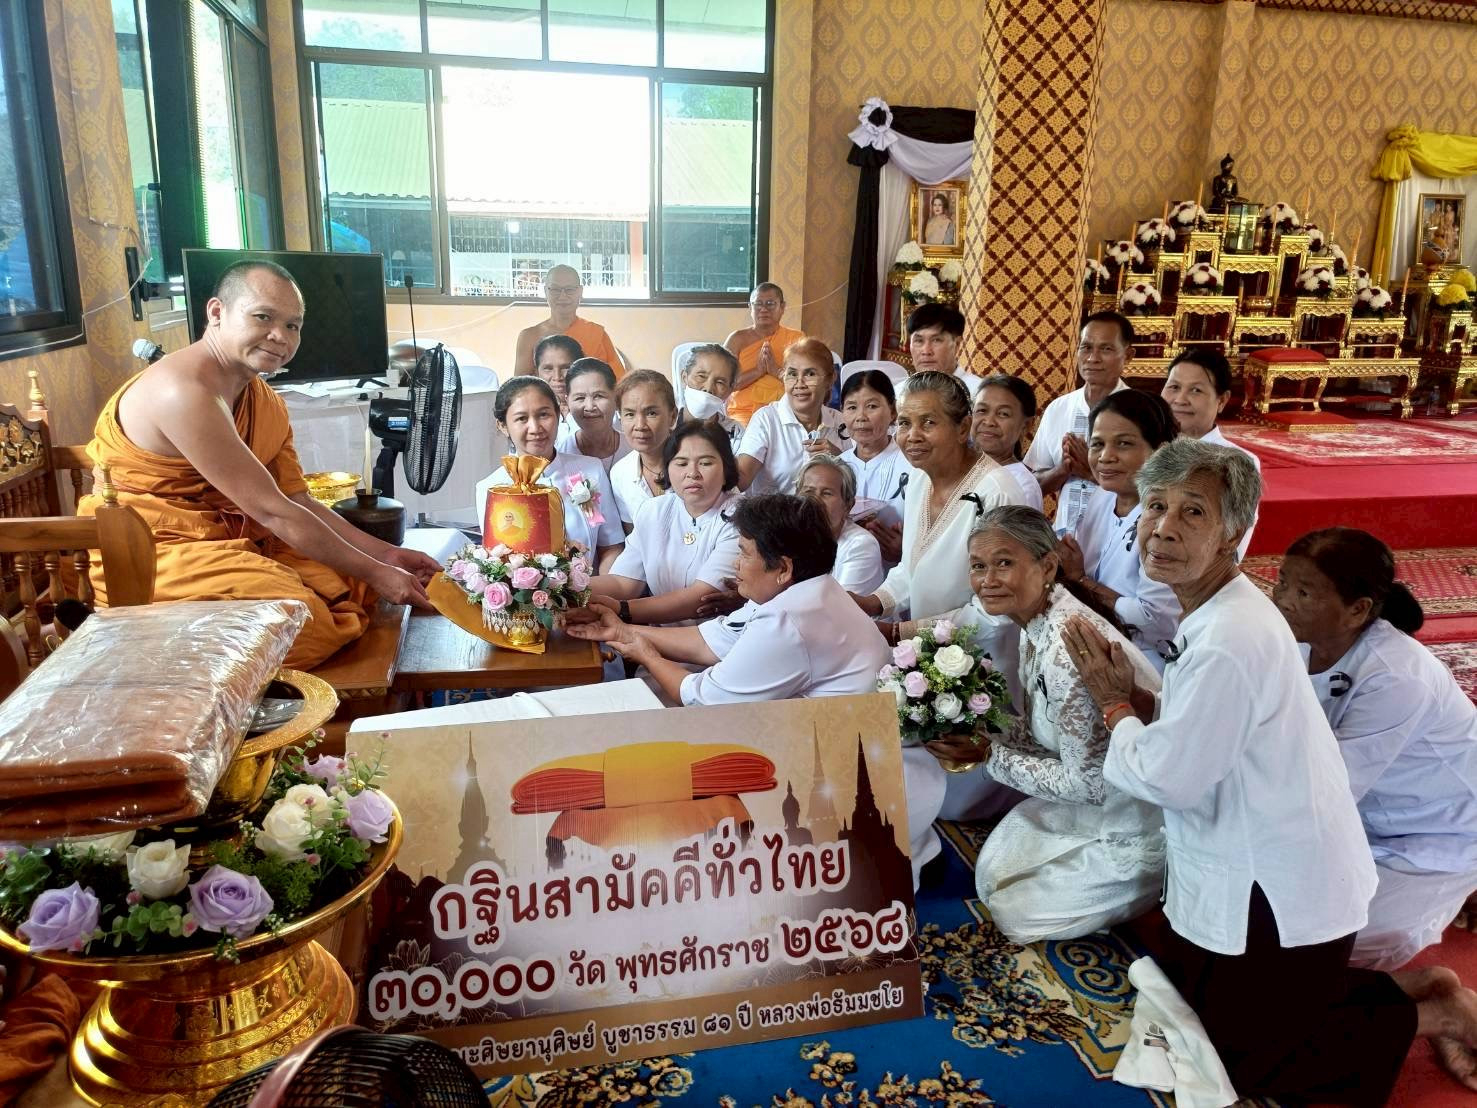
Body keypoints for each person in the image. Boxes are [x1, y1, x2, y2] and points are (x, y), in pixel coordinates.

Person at [1064, 437, 1477, 1105]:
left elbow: (1170, 779)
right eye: (1155, 506)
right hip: (1262, 854)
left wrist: (1114, 704)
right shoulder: (1221, 611)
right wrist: (1142, 703)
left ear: (1232, 534)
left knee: (1246, 1064)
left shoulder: (1231, 634)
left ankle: (1438, 1014)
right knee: (1202, 1002)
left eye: (1192, 512)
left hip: (1282, 879)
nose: (1162, 528)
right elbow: (1213, 725)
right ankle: (1417, 988)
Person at [566, 494, 948, 886]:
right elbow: (706, 643)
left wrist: (642, 652)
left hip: (860, 786)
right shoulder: (805, 590)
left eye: (745, 553)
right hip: (852, 756)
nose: (736, 564)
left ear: (782, 567)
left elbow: (701, 700)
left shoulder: (791, 619)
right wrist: (622, 630)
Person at [80, 260, 437, 669]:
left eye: (293, 325)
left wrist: (386, 556)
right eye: (263, 317)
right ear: (217, 312)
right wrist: (376, 571)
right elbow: (273, 510)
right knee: (300, 622)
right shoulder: (182, 392)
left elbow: (297, 499)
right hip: (157, 554)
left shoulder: (263, 400)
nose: (280, 336)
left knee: (353, 582)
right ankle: (155, 660)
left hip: (238, 542)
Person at [940, 506, 1164, 943]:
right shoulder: (1036, 621)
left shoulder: (1066, 645)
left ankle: (1156, 878)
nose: (988, 579)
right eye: (979, 566)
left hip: (1135, 815)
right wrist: (981, 727)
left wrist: (988, 755)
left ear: (1047, 566)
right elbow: (1048, 736)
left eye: (1004, 563)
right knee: (992, 875)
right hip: (1092, 798)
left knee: (1015, 914)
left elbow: (1089, 785)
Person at [1274, 527, 1477, 972]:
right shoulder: (1292, 639)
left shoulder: (1396, 675)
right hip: (1360, 814)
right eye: (1282, 582)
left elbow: (1326, 793)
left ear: (1358, 610)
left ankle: (1440, 980)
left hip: (1437, 833)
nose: (1283, 600)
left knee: (1312, 944)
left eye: (1303, 592)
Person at [854, 372, 1028, 628]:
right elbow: (913, 569)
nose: (912, 435)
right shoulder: (919, 478)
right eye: (904, 423)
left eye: (928, 422)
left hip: (983, 650)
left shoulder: (997, 493)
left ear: (963, 428)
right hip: (926, 647)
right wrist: (872, 602)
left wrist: (901, 632)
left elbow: (998, 609)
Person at [1057, 391, 1181, 671]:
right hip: (1090, 642)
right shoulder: (1102, 496)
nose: (1105, 457)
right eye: (1097, 444)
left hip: (1141, 663)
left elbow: (1155, 620)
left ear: (1160, 452)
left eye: (1124, 444)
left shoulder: (1167, 520)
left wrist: (1080, 580)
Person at [587, 421, 740, 626]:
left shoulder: (741, 517)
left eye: (705, 463)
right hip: (657, 636)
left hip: (720, 640)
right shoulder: (654, 511)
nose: (692, 473)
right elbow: (623, 583)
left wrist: (622, 610)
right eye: (681, 463)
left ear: (726, 469)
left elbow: (701, 597)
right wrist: (564, 587)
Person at [474, 376, 624, 572]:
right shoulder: (492, 489)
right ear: (503, 426)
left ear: (558, 414)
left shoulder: (589, 471)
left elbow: (611, 547)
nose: (535, 428)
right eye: (521, 418)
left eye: (543, 415)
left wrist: (596, 587)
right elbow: (497, 563)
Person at [1160, 349, 1258, 560]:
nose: (1180, 399)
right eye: (1174, 387)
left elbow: (1232, 546)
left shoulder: (1237, 463)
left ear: (1222, 400)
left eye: (1196, 390)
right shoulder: (1147, 447)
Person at [737, 337, 847, 495]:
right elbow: (742, 478)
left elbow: (857, 483)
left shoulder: (841, 422)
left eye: (810, 374)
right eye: (792, 374)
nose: (799, 384)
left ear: (830, 379)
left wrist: (840, 461)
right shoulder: (767, 419)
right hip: (772, 511)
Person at [838, 369, 912, 564]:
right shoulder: (837, 468)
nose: (861, 417)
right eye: (852, 407)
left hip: (896, 574)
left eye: (872, 406)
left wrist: (907, 552)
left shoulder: (913, 465)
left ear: (893, 411)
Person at [513, 265, 625, 379]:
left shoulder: (597, 334)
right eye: (555, 289)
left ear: (580, 292)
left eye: (569, 289)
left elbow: (618, 381)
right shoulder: (529, 336)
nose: (563, 296)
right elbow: (520, 386)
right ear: (546, 291)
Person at [797, 454, 885, 595]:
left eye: (826, 493)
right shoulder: (790, 535)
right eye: (808, 491)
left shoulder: (860, 545)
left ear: (848, 505)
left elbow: (839, 605)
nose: (814, 501)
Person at [607, 370, 680, 531]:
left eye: (651, 413)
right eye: (629, 414)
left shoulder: (696, 463)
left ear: (673, 416)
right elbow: (633, 535)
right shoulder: (620, 473)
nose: (640, 425)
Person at [724, 283, 805, 426]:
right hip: (744, 413)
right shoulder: (736, 339)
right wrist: (758, 371)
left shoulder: (797, 339)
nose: (763, 309)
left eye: (770, 304)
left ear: (782, 307)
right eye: (758, 304)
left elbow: (804, 382)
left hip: (786, 411)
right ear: (750, 307)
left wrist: (776, 371)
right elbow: (725, 384)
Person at [971, 374, 1042, 512]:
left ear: (1026, 425)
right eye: (982, 410)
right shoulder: (961, 472)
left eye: (1003, 414)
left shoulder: (1021, 487)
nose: (989, 422)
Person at [555, 358, 628, 473]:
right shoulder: (560, 455)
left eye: (598, 396)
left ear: (616, 397)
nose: (589, 407)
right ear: (567, 401)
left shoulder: (634, 449)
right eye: (580, 398)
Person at [677, 343, 744, 452]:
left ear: (730, 390)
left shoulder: (736, 433)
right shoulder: (665, 425)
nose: (708, 389)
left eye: (720, 382)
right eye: (701, 376)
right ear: (684, 377)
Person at [906, 304, 980, 398]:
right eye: (919, 341)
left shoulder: (978, 394)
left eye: (936, 340)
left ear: (957, 344)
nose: (926, 351)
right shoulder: (899, 393)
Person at [530, 334, 582, 416]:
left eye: (565, 368)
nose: (557, 377)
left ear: (580, 369)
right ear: (537, 373)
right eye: (548, 369)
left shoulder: (595, 411)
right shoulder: (526, 411)